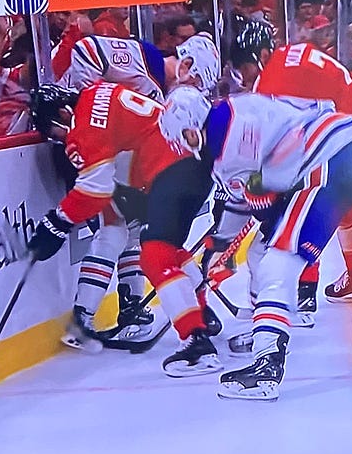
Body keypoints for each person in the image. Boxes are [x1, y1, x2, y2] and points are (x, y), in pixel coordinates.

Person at [27, 81, 213, 373]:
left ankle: (195, 341)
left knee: (143, 249)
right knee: (154, 244)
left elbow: (95, 188)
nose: (59, 139)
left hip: (164, 173)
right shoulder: (97, 91)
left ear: (63, 113)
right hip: (185, 167)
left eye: (53, 132)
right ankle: (200, 311)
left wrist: (57, 223)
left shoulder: (82, 125)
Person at [201, 90, 352, 400]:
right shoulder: (234, 112)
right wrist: (220, 243)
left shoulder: (228, 132)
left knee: (278, 263)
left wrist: (225, 238)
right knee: (264, 253)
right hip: (338, 157)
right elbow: (250, 193)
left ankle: (267, 365)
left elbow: (259, 190)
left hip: (324, 161)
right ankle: (263, 332)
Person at [257, 39, 352, 308]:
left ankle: (312, 287)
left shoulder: (267, 89)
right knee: (345, 202)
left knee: (318, 198)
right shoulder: (285, 59)